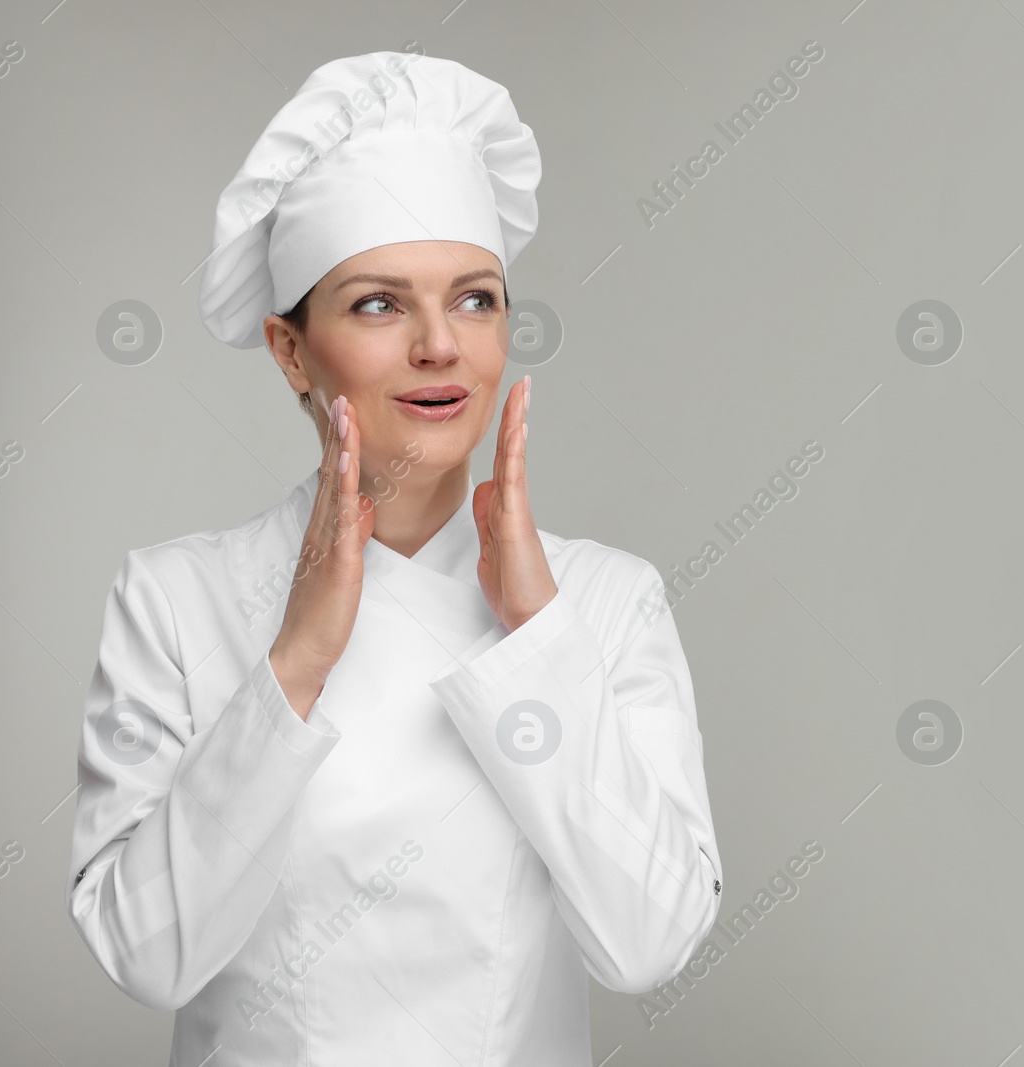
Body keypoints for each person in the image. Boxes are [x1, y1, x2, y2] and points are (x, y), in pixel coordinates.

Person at [66, 50, 722, 1066]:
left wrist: (541, 639)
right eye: (378, 303)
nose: (439, 345)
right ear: (291, 348)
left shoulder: (602, 598)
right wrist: (296, 662)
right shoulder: (176, 597)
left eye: (474, 298)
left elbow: (648, 944)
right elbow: (147, 956)